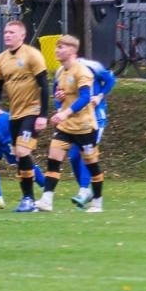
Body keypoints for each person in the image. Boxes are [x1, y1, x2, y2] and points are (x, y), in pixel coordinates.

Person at [34, 35, 103, 213]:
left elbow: (86, 97)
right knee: (53, 160)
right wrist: (59, 100)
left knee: (92, 165)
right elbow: (60, 94)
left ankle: (97, 202)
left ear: (72, 51)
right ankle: (46, 200)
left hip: (85, 126)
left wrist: (65, 112)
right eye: (57, 47)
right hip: (65, 127)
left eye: (61, 47)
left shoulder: (82, 71)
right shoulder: (60, 72)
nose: (57, 50)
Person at [0, 20, 50, 212]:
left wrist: (43, 115)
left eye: (12, 32)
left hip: (32, 112)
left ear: (22, 36)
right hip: (15, 115)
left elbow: (44, 85)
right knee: (18, 155)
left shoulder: (32, 55)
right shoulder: (0, 60)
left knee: (23, 152)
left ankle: (29, 199)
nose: (7, 35)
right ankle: (31, 198)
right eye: (6, 32)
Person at [66, 55, 116, 209]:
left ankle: (84, 191)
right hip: (77, 119)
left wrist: (99, 96)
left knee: (87, 154)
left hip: (96, 118)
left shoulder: (91, 66)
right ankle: (85, 190)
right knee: (74, 156)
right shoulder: (63, 71)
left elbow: (110, 79)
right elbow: (58, 91)